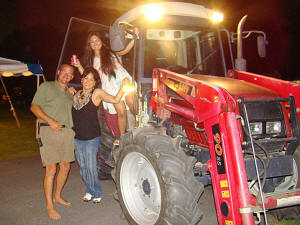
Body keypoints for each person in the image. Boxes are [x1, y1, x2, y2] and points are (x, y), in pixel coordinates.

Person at [71, 67, 129, 203]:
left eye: (91, 79)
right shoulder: (77, 94)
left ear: (95, 82)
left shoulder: (96, 93)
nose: (88, 81)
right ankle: (89, 190)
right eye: (86, 78)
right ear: (82, 79)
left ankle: (96, 192)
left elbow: (115, 100)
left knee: (91, 167)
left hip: (91, 138)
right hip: (78, 138)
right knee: (83, 168)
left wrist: (123, 85)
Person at [30, 64, 75, 220]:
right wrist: (50, 121)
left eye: (70, 74)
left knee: (65, 166)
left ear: (72, 77)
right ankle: (49, 206)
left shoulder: (70, 93)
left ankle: (57, 196)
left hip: (67, 132)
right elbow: (34, 107)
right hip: (49, 130)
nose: (66, 75)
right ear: (58, 72)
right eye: (64, 72)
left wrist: (73, 93)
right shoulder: (46, 86)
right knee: (51, 169)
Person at [74, 29, 138, 138]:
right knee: (121, 111)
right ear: (89, 45)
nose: (95, 43)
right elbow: (87, 75)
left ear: (101, 41)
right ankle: (121, 138)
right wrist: (78, 65)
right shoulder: (90, 59)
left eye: (97, 40)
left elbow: (123, 51)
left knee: (131, 102)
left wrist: (134, 38)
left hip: (123, 80)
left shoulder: (110, 52)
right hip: (110, 88)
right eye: (92, 42)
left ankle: (138, 123)